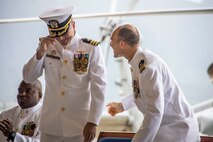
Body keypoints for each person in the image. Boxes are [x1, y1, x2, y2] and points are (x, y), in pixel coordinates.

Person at [22, 5, 107, 142]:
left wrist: (93, 122)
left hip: (79, 125)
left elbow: (99, 87)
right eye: (56, 34)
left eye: (63, 32)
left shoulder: (91, 48)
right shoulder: (47, 47)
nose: (61, 38)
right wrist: (39, 52)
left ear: (73, 25)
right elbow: (28, 77)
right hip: (50, 125)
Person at [107, 24, 200, 142]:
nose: (110, 44)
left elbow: (154, 113)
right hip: (166, 128)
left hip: (177, 131)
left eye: (112, 41)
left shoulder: (148, 68)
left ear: (122, 44)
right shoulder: (140, 61)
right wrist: (123, 105)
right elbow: (144, 91)